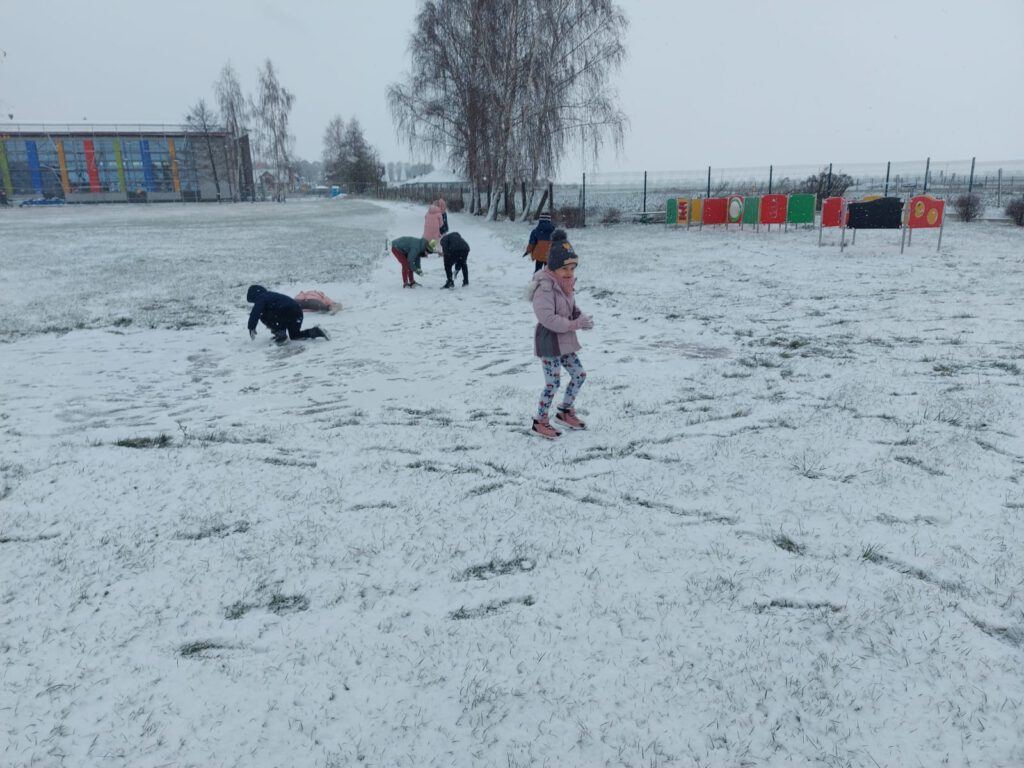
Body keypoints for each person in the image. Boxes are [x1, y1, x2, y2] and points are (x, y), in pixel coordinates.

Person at [527, 229, 593, 439]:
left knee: (579, 374)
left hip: (565, 340)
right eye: (565, 268)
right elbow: (549, 319)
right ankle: (540, 421)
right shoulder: (545, 288)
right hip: (549, 341)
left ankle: (565, 410)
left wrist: (580, 317)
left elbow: (570, 308)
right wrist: (575, 324)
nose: (570, 272)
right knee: (552, 383)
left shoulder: (565, 286)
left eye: (573, 268)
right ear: (554, 267)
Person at [246, 285, 329, 343]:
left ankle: (280, 334)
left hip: (284, 311)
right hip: (297, 311)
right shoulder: (272, 295)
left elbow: (255, 312)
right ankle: (316, 331)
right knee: (295, 335)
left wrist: (251, 327)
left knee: (262, 314)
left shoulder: (261, 297)